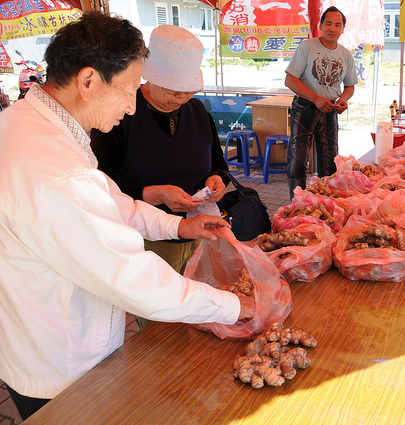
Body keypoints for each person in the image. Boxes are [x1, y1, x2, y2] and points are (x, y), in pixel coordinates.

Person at [0, 12, 254, 420]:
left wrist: (177, 224)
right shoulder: (56, 172)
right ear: (88, 81)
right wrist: (232, 306)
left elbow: (111, 201)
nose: (134, 106)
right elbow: (132, 279)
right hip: (63, 363)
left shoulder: (31, 126)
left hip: (35, 340)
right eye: (129, 90)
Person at [90, 25, 230, 330]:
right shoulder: (119, 116)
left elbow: (218, 164)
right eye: (170, 89)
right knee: (162, 327)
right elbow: (101, 187)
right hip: (146, 243)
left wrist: (217, 180)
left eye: (188, 91)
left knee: (202, 314)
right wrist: (153, 193)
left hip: (198, 232)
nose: (180, 98)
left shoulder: (197, 112)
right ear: (149, 76)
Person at [284, 6, 358, 199]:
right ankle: (296, 204)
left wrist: (343, 100)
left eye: (337, 25)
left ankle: (326, 203)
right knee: (297, 160)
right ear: (321, 25)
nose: (332, 28)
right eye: (329, 23)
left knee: (329, 162)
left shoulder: (346, 55)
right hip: (304, 108)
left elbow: (350, 86)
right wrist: (315, 98)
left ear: (343, 29)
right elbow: (290, 80)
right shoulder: (307, 47)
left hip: (330, 110)